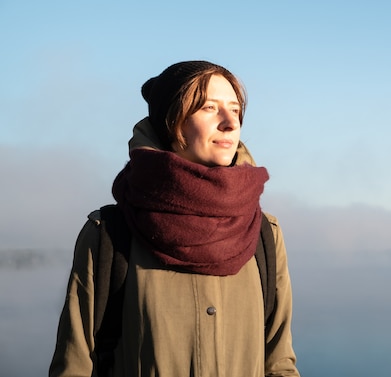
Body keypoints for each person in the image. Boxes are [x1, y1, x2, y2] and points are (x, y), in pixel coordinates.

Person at [49, 60, 300, 376]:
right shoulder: (110, 233)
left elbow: (279, 364)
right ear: (171, 122)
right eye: (209, 107)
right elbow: (73, 366)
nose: (230, 123)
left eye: (235, 110)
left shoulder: (264, 233)